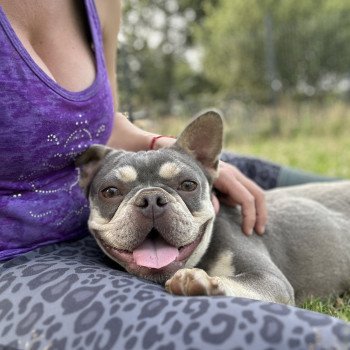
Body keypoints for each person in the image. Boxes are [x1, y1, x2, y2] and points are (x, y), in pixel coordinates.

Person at [1, 2, 347, 349]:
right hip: (23, 255)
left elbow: (103, 123)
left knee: (246, 175)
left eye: (184, 186)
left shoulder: (102, 4)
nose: (152, 203)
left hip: (110, 179)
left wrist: (165, 147)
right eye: (111, 192)